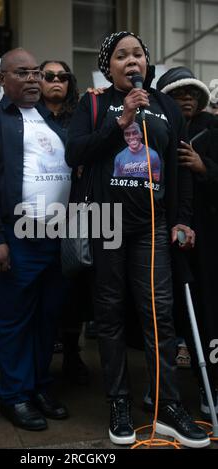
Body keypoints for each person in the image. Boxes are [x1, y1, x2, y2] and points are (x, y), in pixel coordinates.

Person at [65, 31, 210, 448]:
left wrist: (183, 220)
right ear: (108, 65)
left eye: (139, 55)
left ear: (148, 63)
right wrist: (121, 122)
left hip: (153, 227)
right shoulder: (95, 103)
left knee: (158, 316)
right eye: (122, 56)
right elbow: (75, 154)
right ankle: (119, 402)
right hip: (107, 222)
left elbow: (180, 173)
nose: (133, 61)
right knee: (109, 314)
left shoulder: (165, 107)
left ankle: (168, 406)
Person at [0, 48, 70, 431]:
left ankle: (38, 386)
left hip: (55, 236)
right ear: (3, 79)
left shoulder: (53, 122)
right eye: (21, 72)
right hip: (14, 237)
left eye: (36, 72)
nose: (31, 79)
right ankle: (15, 396)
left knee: (47, 319)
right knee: (13, 321)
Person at [157, 66, 218, 418]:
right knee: (173, 315)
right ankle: (164, 392)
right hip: (165, 239)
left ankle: (210, 388)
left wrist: (203, 166)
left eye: (192, 95)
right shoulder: (155, 132)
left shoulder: (212, 132)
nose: (187, 100)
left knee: (208, 313)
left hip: (207, 241)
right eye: (178, 94)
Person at [39, 59, 91, 385]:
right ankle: (42, 353)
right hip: (39, 214)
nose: (56, 81)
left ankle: (72, 351)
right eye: (49, 76)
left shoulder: (81, 117)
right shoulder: (29, 118)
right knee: (43, 283)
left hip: (78, 210)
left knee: (76, 283)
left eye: (63, 76)